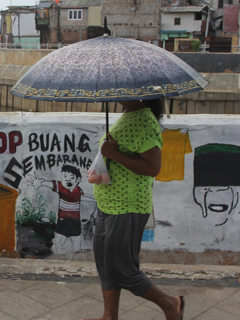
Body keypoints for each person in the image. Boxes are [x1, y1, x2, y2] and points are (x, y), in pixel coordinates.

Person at [85, 99, 184, 320]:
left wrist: (114, 154)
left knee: (122, 268)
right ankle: (109, 316)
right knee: (105, 263)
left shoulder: (144, 120)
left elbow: (153, 167)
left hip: (127, 206)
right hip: (109, 204)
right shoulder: (129, 114)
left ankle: (170, 305)